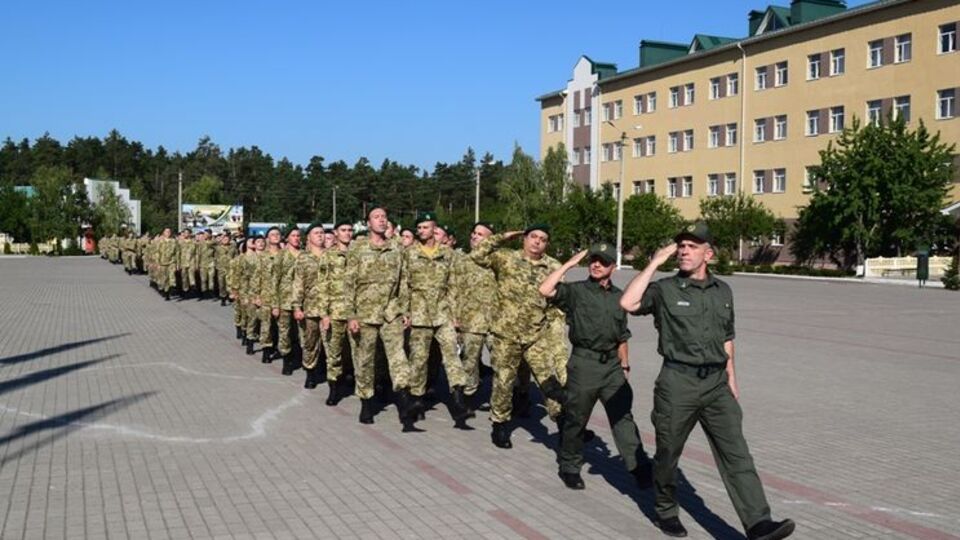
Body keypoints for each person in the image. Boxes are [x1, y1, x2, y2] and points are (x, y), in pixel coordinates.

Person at [620, 223, 795, 540]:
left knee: (737, 454)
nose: (684, 250)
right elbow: (628, 303)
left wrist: (732, 379)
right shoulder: (665, 289)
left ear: (708, 254)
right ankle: (666, 510)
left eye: (692, 245)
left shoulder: (723, 291)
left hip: (717, 385)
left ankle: (758, 523)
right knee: (668, 454)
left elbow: (727, 339)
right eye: (681, 246)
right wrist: (655, 262)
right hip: (678, 383)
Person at [539, 242, 653, 491]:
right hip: (584, 364)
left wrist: (625, 364)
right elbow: (545, 289)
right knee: (575, 419)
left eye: (603, 261)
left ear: (613, 266)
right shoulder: (576, 292)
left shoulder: (619, 297)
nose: (596, 264)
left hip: (612, 366)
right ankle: (569, 466)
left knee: (623, 417)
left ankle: (639, 467)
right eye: (593, 260)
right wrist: (568, 264)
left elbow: (622, 335)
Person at [470, 224, 568, 449]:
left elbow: (560, 301)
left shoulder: (553, 266)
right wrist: (502, 237)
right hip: (506, 334)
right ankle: (500, 423)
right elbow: (477, 254)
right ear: (524, 239)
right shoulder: (506, 258)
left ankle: (562, 421)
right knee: (503, 381)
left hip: (536, 335)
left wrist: (555, 334)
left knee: (548, 381)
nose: (537, 242)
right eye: (533, 237)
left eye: (543, 239)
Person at [345, 205, 417, 428]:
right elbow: (348, 284)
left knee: (398, 359)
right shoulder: (357, 249)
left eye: (384, 217)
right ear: (368, 223)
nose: (381, 220)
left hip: (390, 313)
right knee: (365, 362)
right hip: (365, 315)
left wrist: (405, 310)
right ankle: (366, 402)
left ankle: (405, 406)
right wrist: (351, 315)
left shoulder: (397, 249)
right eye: (376, 217)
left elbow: (404, 282)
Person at [400, 212, 469, 426]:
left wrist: (456, 315)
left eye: (426, 227)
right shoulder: (409, 253)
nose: (421, 231)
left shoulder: (447, 254)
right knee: (418, 360)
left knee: (451, 355)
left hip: (443, 313)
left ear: (434, 228)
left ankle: (458, 400)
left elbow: (454, 285)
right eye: (419, 227)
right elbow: (404, 284)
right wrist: (405, 311)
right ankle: (416, 401)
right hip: (419, 313)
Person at [449, 222, 497, 414]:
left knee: (501, 362)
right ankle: (469, 399)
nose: (475, 236)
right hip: (470, 322)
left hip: (495, 323)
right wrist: (454, 316)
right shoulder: (461, 261)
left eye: (481, 234)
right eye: (474, 233)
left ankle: (503, 400)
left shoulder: (497, 261)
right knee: (469, 362)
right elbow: (452, 289)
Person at [321, 219, 355, 405]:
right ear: (336, 233)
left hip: (356, 313)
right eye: (343, 230)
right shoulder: (328, 256)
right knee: (334, 354)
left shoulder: (359, 254)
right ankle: (334, 390)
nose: (347, 233)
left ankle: (357, 385)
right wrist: (324, 314)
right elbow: (322, 285)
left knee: (357, 353)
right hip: (334, 312)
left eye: (350, 230)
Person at [291, 223, 328, 388]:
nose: (320, 236)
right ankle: (310, 372)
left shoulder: (331, 256)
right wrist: (297, 307)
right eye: (316, 233)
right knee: (310, 342)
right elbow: (298, 284)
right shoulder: (303, 258)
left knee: (330, 344)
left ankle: (330, 375)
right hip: (310, 308)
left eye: (322, 233)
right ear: (309, 237)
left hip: (330, 309)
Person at [276, 227, 302, 375]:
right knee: (284, 332)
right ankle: (287, 360)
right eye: (293, 235)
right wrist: (275, 304)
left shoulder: (305, 255)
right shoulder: (282, 255)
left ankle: (300, 358)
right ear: (287, 238)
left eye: (298, 236)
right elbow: (275, 280)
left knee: (302, 333)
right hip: (284, 300)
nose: (296, 238)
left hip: (302, 301)